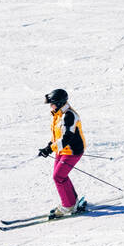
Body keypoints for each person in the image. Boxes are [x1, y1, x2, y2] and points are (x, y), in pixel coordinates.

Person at [39, 88, 87, 217]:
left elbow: (66, 138)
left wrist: (50, 149)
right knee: (60, 176)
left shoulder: (68, 115)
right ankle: (72, 201)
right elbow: (58, 136)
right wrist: (48, 146)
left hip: (72, 151)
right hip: (62, 149)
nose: (50, 106)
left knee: (58, 176)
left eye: (52, 103)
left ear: (59, 103)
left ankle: (68, 206)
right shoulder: (58, 115)